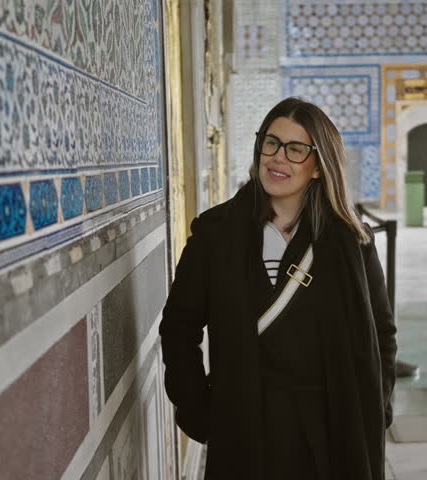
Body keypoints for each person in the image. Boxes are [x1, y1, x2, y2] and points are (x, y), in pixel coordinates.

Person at [159, 97, 397, 480]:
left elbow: (382, 333)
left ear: (319, 166)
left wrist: (377, 408)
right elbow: (178, 329)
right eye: (270, 143)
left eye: (296, 149)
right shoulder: (215, 234)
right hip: (245, 428)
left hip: (331, 431)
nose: (277, 157)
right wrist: (197, 409)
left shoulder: (351, 242)